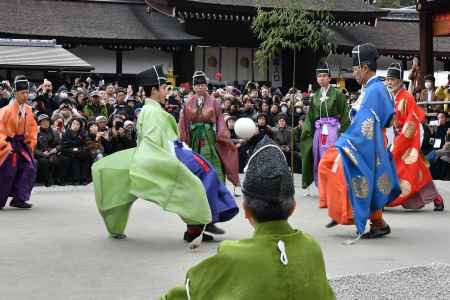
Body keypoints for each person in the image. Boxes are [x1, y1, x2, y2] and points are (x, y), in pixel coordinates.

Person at [159, 128, 335, 300]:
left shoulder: (233, 255)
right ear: (294, 207)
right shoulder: (312, 248)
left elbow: (190, 290)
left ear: (246, 210)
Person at [92, 65, 237, 243]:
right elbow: (154, 141)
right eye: (163, 88)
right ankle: (199, 223)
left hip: (180, 147)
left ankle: (204, 220)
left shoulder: (155, 109)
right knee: (201, 175)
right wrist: (175, 155)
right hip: (164, 153)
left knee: (206, 171)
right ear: (153, 90)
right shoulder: (152, 111)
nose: (166, 92)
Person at [318, 43, 400, 242]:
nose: (353, 73)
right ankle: (351, 215)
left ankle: (360, 218)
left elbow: (368, 123)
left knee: (333, 166)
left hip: (370, 143)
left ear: (364, 68)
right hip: (370, 141)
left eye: (355, 69)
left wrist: (346, 141)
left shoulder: (374, 90)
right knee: (332, 166)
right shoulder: (374, 87)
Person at [178, 71, 240, 236]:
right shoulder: (187, 103)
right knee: (195, 182)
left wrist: (226, 141)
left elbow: (220, 123)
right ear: (193, 86)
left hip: (211, 144)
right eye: (197, 85)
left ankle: (213, 219)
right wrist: (183, 143)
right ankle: (197, 223)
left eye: (203, 84)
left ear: (207, 85)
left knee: (215, 177)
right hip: (194, 145)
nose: (201, 87)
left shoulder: (214, 103)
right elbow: (183, 125)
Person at [385, 63, 444, 211]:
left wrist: (401, 141)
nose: (389, 82)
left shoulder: (407, 97)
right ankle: (436, 198)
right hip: (398, 139)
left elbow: (412, 122)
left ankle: (384, 199)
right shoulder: (393, 97)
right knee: (419, 173)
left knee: (411, 172)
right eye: (388, 80)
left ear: (399, 80)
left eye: (392, 79)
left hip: (408, 140)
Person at [300, 61, 350, 192]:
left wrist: (343, 130)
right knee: (318, 155)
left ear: (329, 77)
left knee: (332, 155)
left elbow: (345, 112)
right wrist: (306, 131)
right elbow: (310, 116)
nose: (321, 78)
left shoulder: (337, 94)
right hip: (319, 130)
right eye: (319, 76)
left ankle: (333, 184)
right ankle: (322, 184)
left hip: (333, 129)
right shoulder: (315, 95)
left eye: (324, 75)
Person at [0, 75, 38, 209]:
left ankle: (19, 198)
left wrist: (30, 143)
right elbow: (1, 130)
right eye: (23, 93)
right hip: (8, 144)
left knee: (30, 166)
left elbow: (33, 129)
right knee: (8, 169)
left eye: (27, 92)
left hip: (22, 144)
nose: (26, 95)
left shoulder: (28, 110)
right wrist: (5, 145)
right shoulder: (6, 111)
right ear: (15, 93)